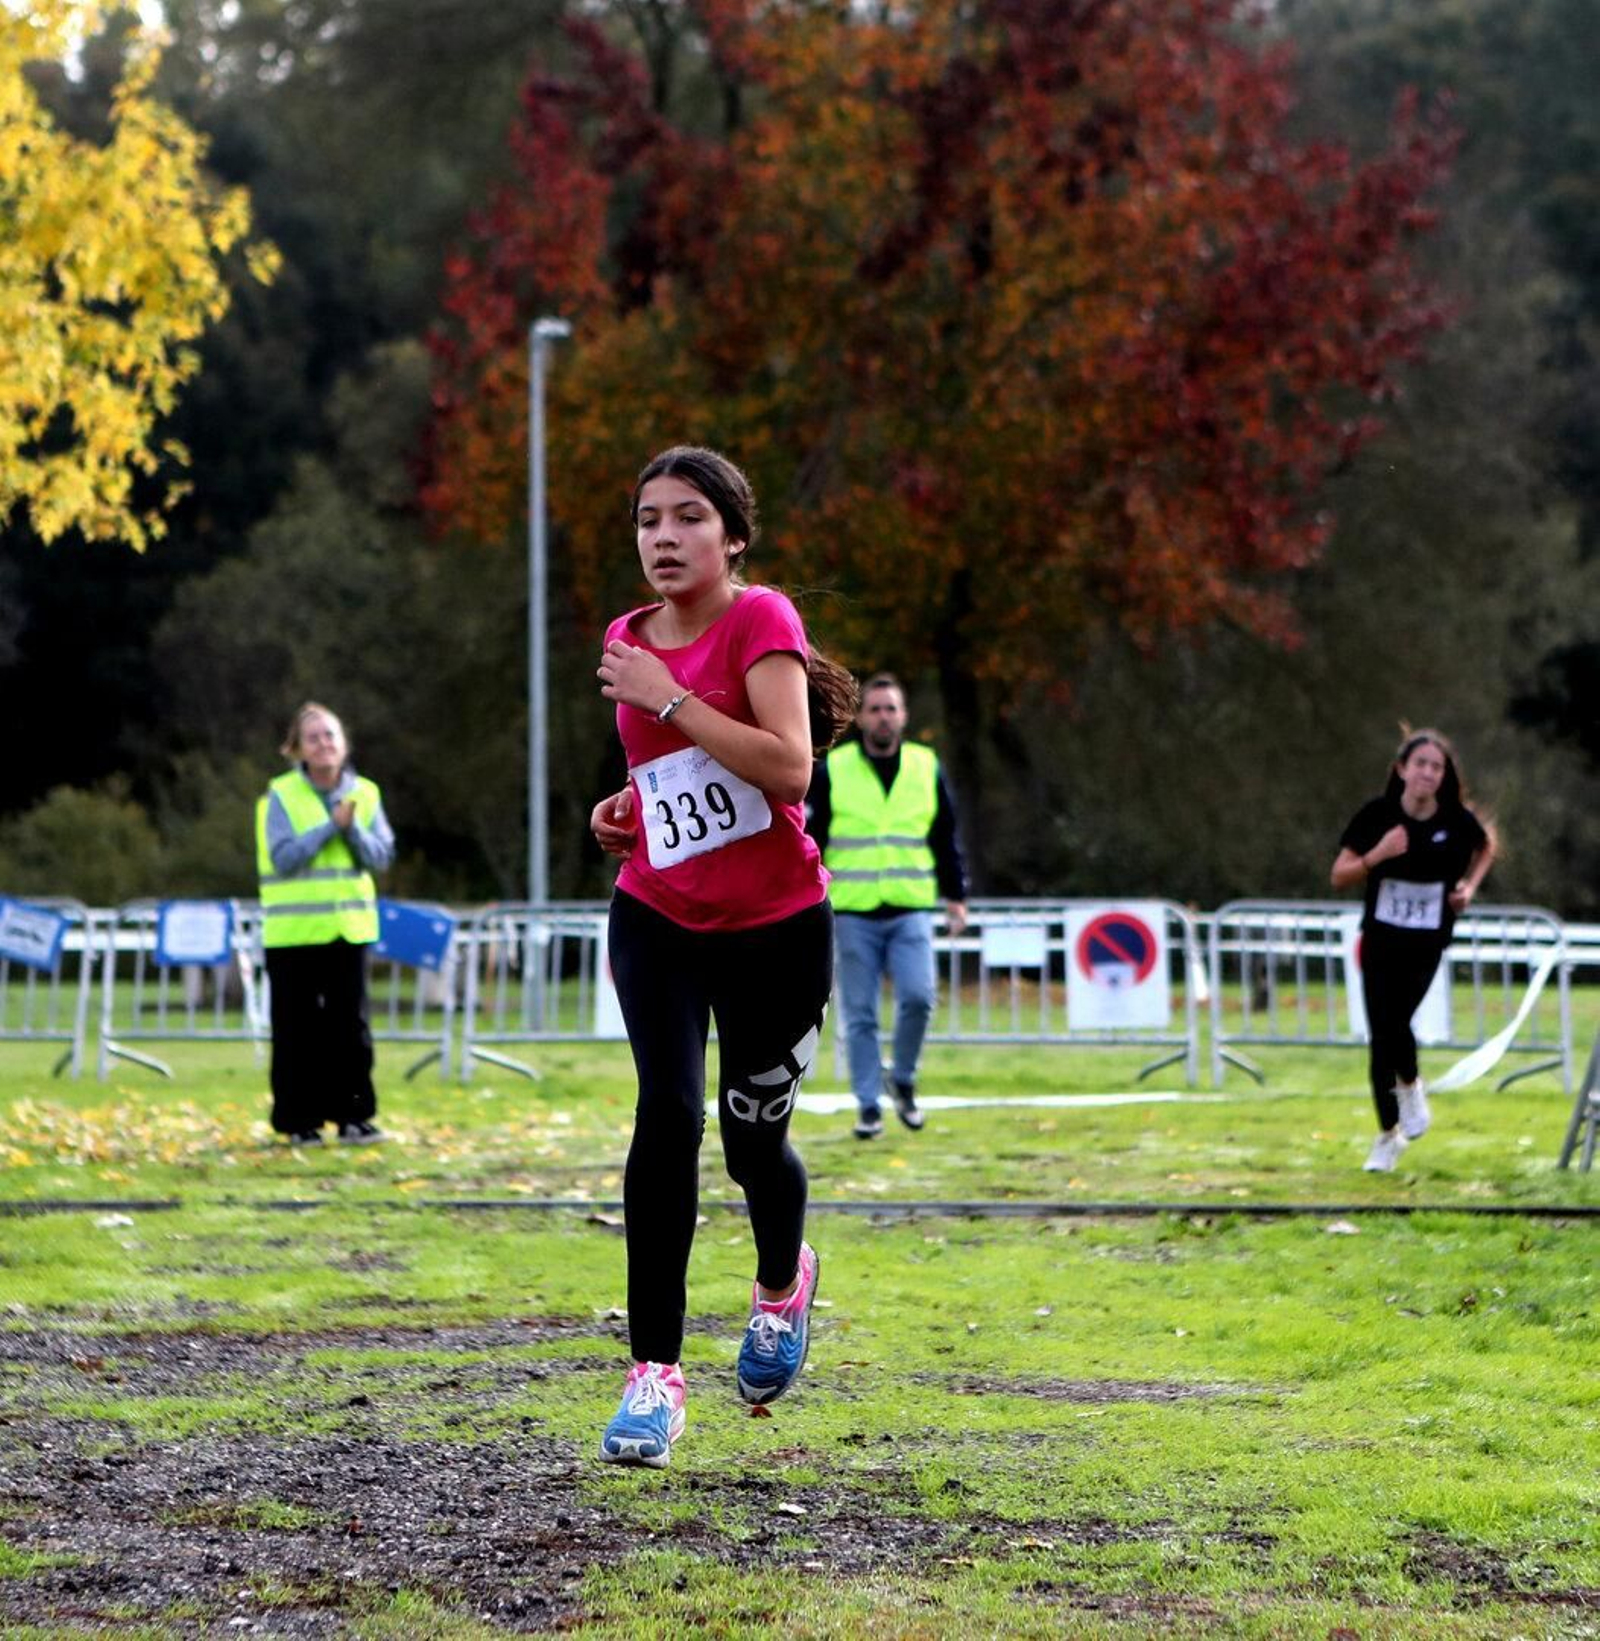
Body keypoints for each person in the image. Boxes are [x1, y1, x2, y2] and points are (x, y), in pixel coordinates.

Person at [589, 445, 857, 1468]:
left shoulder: (761, 621)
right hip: (657, 913)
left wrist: (668, 698)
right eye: (648, 518)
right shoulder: (627, 637)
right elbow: (664, 780)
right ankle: (652, 1379)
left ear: (731, 536)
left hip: (778, 929)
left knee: (752, 1146)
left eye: (688, 517)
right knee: (666, 1114)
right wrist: (616, 815)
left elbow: (788, 771)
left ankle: (783, 1283)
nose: (663, 536)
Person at [805, 674, 969, 1139]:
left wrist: (956, 897)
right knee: (859, 1013)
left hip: (910, 907)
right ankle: (868, 1104)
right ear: (860, 718)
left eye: (891, 709)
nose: (883, 717)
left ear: (904, 716)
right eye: (875, 709)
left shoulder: (925, 765)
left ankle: (904, 1078)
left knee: (919, 998)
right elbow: (810, 841)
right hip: (853, 910)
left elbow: (945, 836)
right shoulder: (834, 770)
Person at [1330, 728, 1496, 1172]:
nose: (1427, 772)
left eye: (1436, 766)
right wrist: (1376, 856)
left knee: (1395, 1023)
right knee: (1381, 1036)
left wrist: (1469, 888)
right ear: (1402, 769)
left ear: (1444, 777)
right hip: (1380, 939)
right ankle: (1389, 1134)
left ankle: (1410, 1087)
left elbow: (1485, 847)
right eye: (1420, 763)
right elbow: (1339, 875)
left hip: (1426, 942)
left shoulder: (1455, 821)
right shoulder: (1377, 816)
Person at [255, 702, 395, 1148]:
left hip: (348, 930)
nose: (324, 744)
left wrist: (351, 829)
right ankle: (299, 1121)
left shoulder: (366, 794)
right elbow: (284, 859)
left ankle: (355, 1118)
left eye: (330, 735)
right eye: (313, 737)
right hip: (292, 934)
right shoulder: (280, 794)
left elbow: (380, 856)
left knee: (350, 1031)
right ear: (296, 748)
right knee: (297, 1032)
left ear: (344, 743)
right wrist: (331, 827)